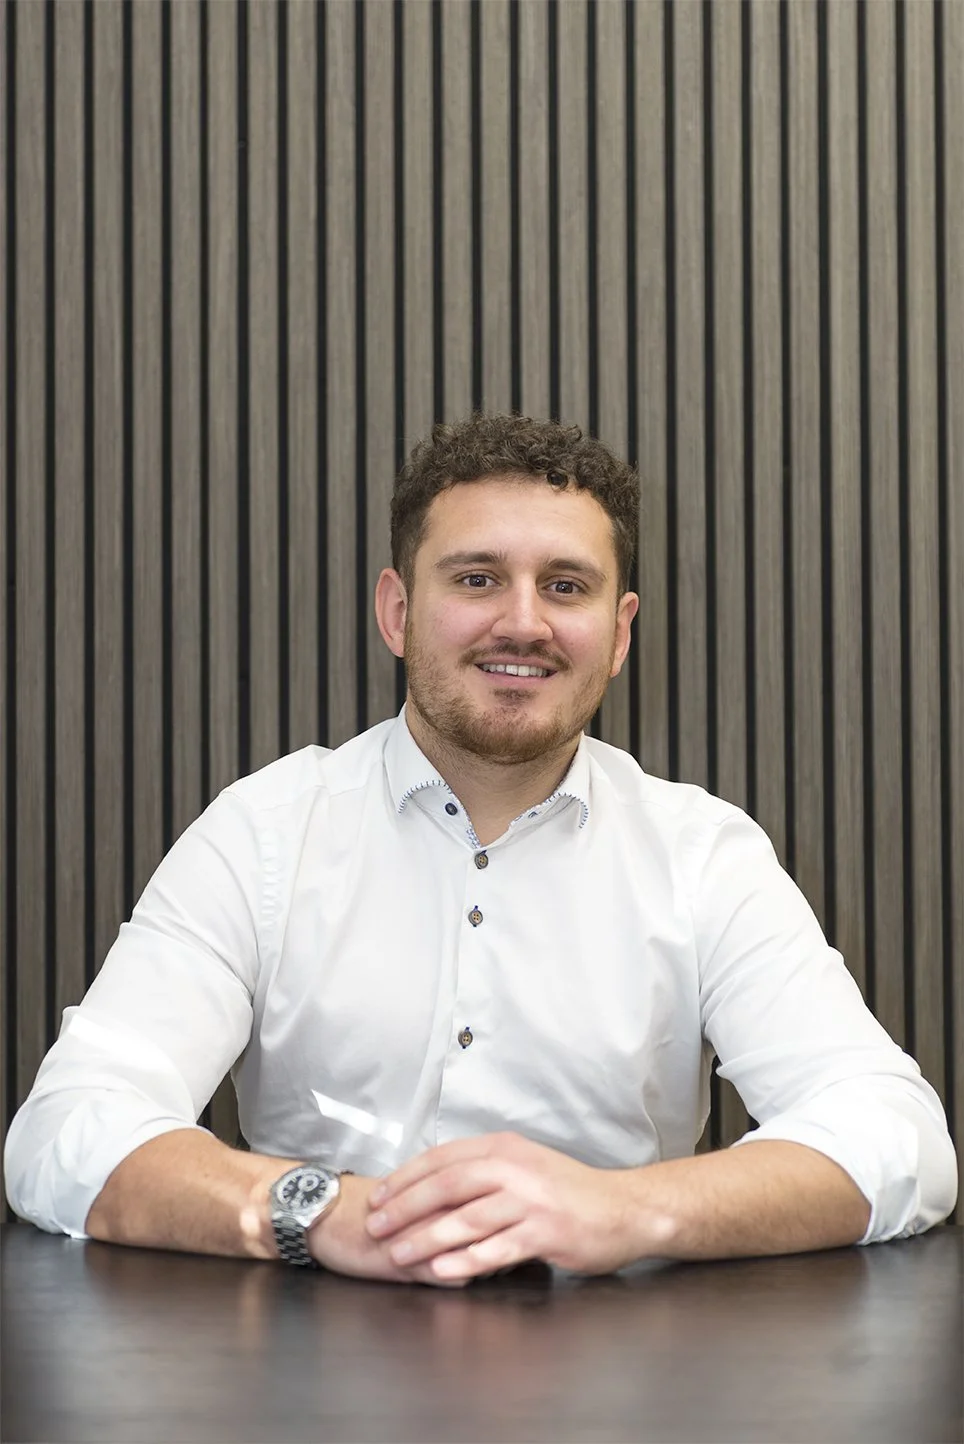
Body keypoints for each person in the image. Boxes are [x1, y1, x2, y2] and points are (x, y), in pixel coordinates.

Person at [5, 414, 957, 1283]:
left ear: (618, 634)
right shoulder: (262, 833)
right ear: (397, 612)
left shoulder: (704, 854)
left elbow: (897, 1137)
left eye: (566, 586)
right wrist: (323, 1211)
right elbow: (67, 1129)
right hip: (304, 1368)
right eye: (476, 579)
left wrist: (624, 1211)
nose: (524, 623)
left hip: (629, 1376)